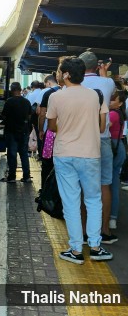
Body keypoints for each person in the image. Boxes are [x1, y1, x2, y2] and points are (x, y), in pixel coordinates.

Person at [47, 56, 112, 264]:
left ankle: (75, 250)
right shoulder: (94, 96)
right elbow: (102, 127)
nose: (58, 74)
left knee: (71, 202)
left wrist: (66, 127)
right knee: (93, 201)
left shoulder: (56, 98)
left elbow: (51, 127)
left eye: (59, 71)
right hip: (90, 154)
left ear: (66, 74)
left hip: (64, 154)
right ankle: (95, 246)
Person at [79, 51, 118, 244]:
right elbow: (108, 86)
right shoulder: (108, 83)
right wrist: (104, 72)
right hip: (103, 139)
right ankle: (104, 232)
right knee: (104, 185)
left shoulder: (75, 84)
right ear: (96, 66)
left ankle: (85, 233)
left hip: (82, 140)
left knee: (83, 186)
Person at [0, 81, 32, 183]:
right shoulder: (26, 102)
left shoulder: (9, 101)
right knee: (24, 154)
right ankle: (26, 176)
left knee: (12, 154)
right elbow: (29, 116)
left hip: (11, 131)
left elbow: (4, 115)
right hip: (24, 131)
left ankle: (12, 177)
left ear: (12, 90)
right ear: (20, 89)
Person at [37, 74, 60, 188]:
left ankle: (44, 191)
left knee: (47, 163)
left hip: (51, 135)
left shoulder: (49, 94)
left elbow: (41, 114)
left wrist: (40, 130)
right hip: (69, 137)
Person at [109, 90, 127, 229]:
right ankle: (113, 218)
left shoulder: (112, 114)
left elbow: (102, 128)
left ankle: (110, 216)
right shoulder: (120, 114)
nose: (110, 102)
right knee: (114, 182)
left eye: (113, 100)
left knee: (107, 184)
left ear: (120, 103)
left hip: (112, 148)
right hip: (119, 146)